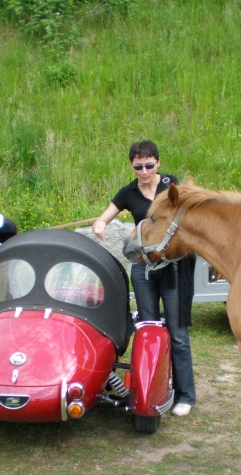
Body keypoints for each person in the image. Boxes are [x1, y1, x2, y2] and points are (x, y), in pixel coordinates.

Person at [93, 140, 197, 416]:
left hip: (173, 269)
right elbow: (104, 217)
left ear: (158, 163)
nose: (144, 171)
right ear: (132, 166)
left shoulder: (170, 185)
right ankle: (152, 388)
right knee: (148, 329)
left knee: (177, 333)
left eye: (149, 165)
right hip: (143, 269)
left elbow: (190, 207)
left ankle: (185, 395)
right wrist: (100, 224)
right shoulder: (128, 193)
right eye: (138, 166)